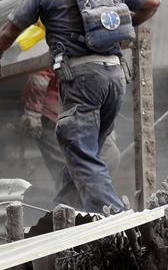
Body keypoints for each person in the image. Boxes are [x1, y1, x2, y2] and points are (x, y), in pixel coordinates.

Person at [0, 0, 160, 213]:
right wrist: (127, 28)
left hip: (82, 79)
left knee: (82, 153)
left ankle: (115, 223)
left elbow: (9, 30)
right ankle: (60, 214)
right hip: (115, 76)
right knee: (85, 151)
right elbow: (153, 2)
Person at [20, 68, 120, 208]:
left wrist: (105, 122)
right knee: (66, 169)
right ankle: (70, 211)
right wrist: (33, 112)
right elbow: (39, 76)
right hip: (55, 116)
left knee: (110, 155)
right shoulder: (60, 48)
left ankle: (86, 207)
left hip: (85, 113)